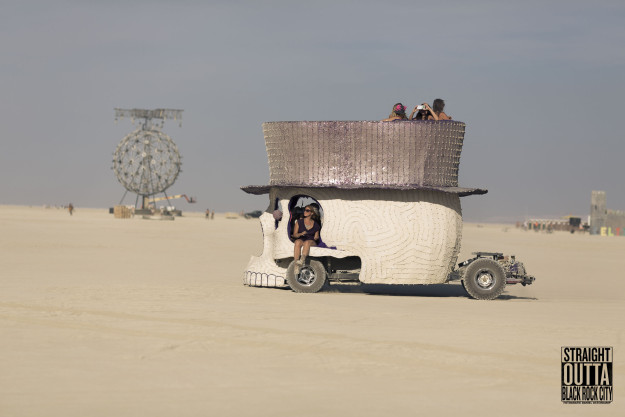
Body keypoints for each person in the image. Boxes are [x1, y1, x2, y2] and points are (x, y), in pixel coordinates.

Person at [292, 205, 321, 273]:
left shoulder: (316, 225)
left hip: (311, 240)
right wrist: (300, 234)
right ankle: (296, 265)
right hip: (301, 238)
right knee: (297, 242)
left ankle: (302, 260)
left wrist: (316, 237)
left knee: (307, 242)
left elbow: (316, 237)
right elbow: (295, 235)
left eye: (307, 210)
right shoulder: (299, 222)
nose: (305, 212)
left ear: (312, 213)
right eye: (304, 210)